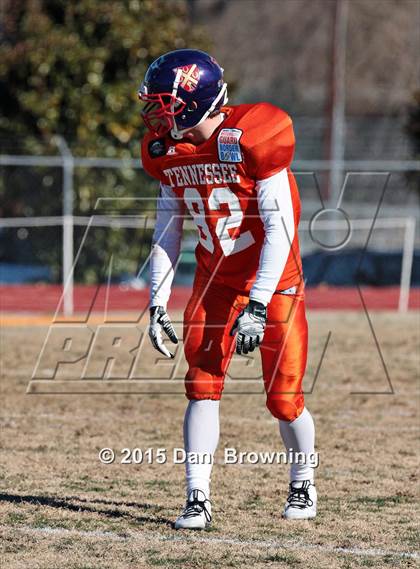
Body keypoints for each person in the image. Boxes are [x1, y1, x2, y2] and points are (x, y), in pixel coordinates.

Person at [138, 49, 317, 529]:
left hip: (275, 283)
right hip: (216, 281)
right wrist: (156, 301)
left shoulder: (256, 135)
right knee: (200, 386)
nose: (156, 112)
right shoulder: (167, 152)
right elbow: (167, 230)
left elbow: (281, 230)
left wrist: (258, 303)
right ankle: (197, 498)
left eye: (165, 102)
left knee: (283, 399)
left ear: (194, 102)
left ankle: (303, 481)